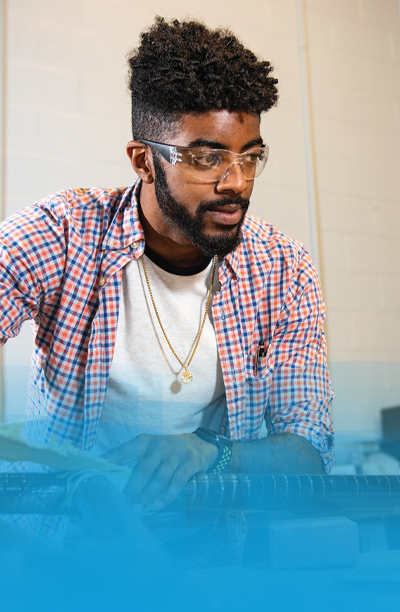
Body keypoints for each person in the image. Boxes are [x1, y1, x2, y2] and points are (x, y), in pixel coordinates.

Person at [0, 17, 334, 512]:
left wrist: (212, 451)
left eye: (250, 156)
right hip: (67, 548)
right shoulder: (65, 233)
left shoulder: (283, 269)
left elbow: (308, 453)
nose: (236, 182)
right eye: (207, 159)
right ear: (143, 161)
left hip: (211, 558)